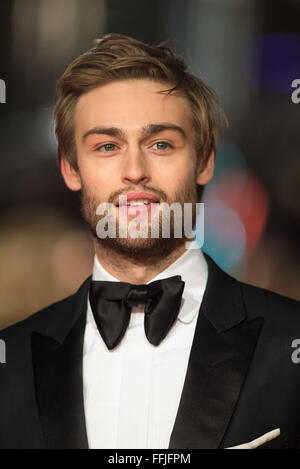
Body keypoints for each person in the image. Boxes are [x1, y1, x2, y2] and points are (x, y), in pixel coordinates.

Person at [0, 33, 299, 450]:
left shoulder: (289, 344)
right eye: (107, 146)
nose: (134, 170)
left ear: (205, 160)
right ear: (70, 168)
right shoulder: (9, 361)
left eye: (160, 144)